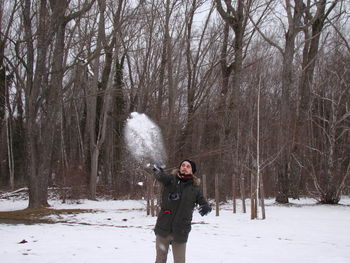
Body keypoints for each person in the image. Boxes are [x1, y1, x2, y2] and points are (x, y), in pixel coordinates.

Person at [151, 159, 212, 263]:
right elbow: (160, 176)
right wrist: (157, 169)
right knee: (160, 260)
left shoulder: (195, 188)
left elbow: (203, 202)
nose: (184, 167)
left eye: (188, 166)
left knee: (180, 261)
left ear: (192, 171)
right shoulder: (171, 180)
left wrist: (206, 207)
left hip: (181, 231)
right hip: (163, 227)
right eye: (183, 165)